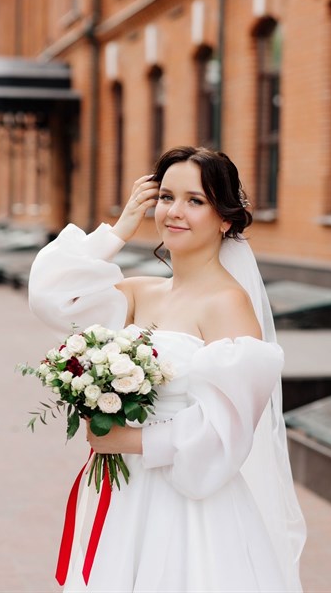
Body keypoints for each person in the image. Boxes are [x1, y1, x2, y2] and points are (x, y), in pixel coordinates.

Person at [29, 146, 306, 592]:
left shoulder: (229, 305)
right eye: (166, 197)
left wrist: (132, 440)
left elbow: (228, 429)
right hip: (123, 494)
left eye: (195, 201)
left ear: (225, 218)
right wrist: (117, 231)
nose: (174, 212)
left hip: (187, 503)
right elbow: (52, 298)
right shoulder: (142, 292)